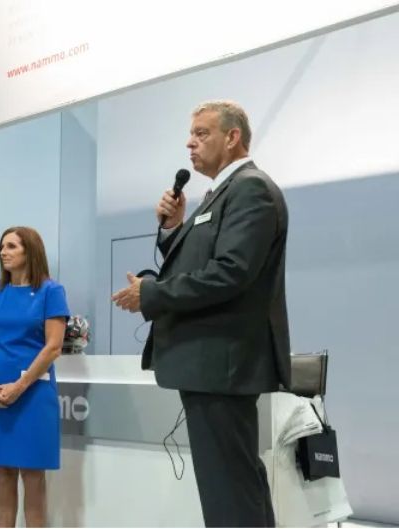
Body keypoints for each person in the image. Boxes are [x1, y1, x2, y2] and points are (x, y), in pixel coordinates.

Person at [112, 100, 290, 527]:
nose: (190, 143)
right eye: (190, 135)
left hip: (222, 365)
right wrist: (174, 228)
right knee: (234, 487)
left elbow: (230, 273)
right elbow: (198, 262)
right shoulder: (221, 193)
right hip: (211, 365)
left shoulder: (250, 188)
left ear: (232, 137)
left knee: (229, 493)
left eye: (201, 133)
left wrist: (151, 293)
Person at [0, 226, 69, 528]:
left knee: (33, 472)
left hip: (34, 392)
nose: (4, 252)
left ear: (31, 251)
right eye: (2, 246)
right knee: (3, 471)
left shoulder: (51, 291)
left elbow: (53, 347)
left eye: (12, 246)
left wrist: (20, 386)